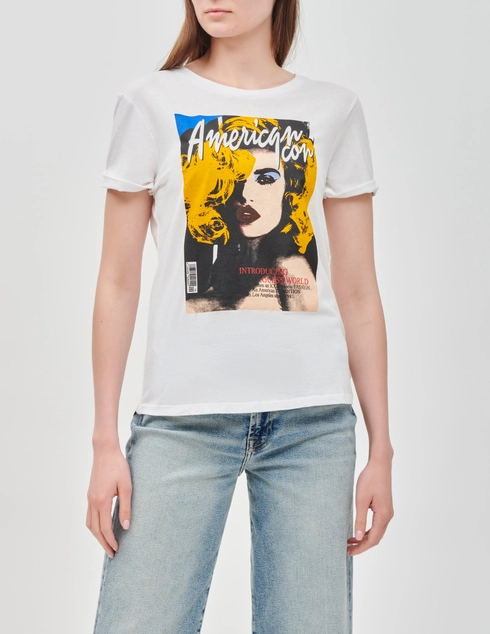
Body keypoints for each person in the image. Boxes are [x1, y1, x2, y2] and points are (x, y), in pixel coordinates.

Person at [86, 1, 395, 633]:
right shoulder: (150, 102)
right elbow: (117, 282)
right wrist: (104, 442)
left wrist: (381, 448)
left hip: (313, 428)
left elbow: (359, 290)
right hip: (180, 425)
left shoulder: (334, 109)